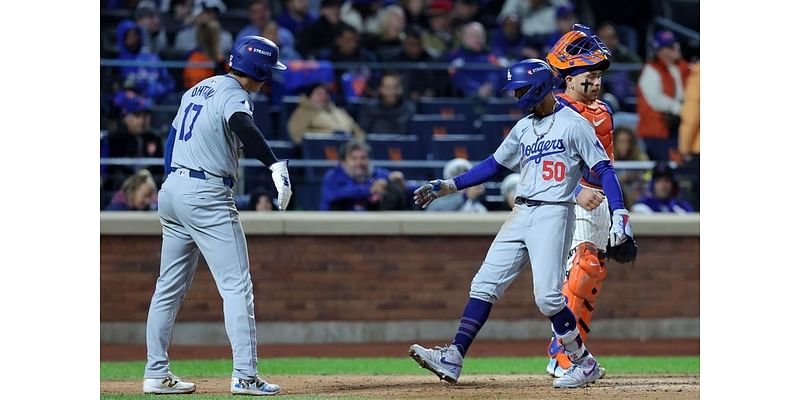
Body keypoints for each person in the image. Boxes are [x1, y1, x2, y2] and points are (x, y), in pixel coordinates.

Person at [408, 58, 635, 389]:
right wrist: (448, 187)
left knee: (548, 299)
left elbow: (604, 169)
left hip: (554, 212)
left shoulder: (574, 124)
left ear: (540, 86)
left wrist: (619, 212)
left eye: (522, 89)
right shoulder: (524, 127)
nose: (517, 96)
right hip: (521, 211)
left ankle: (583, 363)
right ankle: (454, 355)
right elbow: (494, 166)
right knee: (484, 283)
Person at [143, 36, 292, 395]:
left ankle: (155, 373)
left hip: (174, 189)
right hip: (206, 193)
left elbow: (172, 137)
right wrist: (273, 163)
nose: (269, 78)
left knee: (167, 288)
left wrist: (170, 181)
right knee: (236, 285)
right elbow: (242, 123)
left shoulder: (199, 88)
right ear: (258, 70)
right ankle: (244, 374)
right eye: (268, 71)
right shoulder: (233, 94)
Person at [544, 23, 631, 378]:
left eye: (598, 76)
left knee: (591, 276)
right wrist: (575, 191)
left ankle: (564, 353)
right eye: (588, 76)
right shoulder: (554, 110)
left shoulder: (604, 110)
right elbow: (545, 164)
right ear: (568, 77)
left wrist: (618, 212)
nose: (596, 83)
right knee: (579, 272)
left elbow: (606, 166)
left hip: (599, 204)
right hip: (570, 200)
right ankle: (564, 355)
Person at [636, 29, 690, 161]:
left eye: (676, 44)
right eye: (671, 46)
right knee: (666, 166)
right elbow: (656, 100)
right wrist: (680, 109)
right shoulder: (651, 70)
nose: (676, 48)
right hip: (657, 131)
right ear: (660, 51)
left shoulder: (683, 67)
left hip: (679, 126)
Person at [320, 141, 411, 211]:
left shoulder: (376, 173)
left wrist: (402, 184)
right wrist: (369, 189)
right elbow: (337, 194)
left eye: (363, 158)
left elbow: (402, 184)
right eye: (354, 158)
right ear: (343, 162)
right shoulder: (332, 176)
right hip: (336, 228)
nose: (359, 163)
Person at [116, 20, 175, 104]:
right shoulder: (116, 61)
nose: (134, 39)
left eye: (135, 35)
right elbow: (117, 87)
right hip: (131, 102)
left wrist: (158, 90)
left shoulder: (152, 57)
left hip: (157, 100)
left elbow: (168, 82)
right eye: (129, 36)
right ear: (122, 38)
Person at [287, 82, 365, 146]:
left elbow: (357, 130)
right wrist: (328, 135)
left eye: (326, 93)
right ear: (309, 96)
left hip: (348, 149)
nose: (323, 97)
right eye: (319, 94)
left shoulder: (340, 112)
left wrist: (358, 143)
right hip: (320, 148)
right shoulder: (303, 112)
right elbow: (297, 135)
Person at [447, 22, 505, 99]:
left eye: (480, 36)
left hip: (494, 98)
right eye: (472, 36)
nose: (477, 39)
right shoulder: (455, 56)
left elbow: (502, 73)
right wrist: (477, 90)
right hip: (466, 101)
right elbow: (457, 77)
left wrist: (491, 85)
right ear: (464, 38)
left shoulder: (494, 55)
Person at [182, 20, 228, 89]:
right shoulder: (196, 58)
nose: (220, 38)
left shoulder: (220, 60)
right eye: (217, 35)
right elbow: (196, 88)